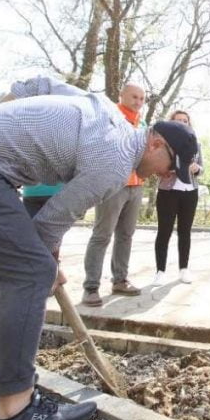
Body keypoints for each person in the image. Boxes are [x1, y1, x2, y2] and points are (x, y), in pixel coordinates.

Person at [0, 75, 197, 420]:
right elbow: (47, 227)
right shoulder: (114, 163)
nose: (167, 175)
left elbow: (34, 85)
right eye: (170, 165)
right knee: (30, 274)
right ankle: (16, 412)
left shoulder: (103, 109)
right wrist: (45, 265)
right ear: (156, 142)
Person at [81, 83, 148, 307]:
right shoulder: (110, 117)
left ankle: (120, 279)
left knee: (126, 235)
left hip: (136, 186)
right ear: (121, 95)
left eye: (142, 98)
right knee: (102, 235)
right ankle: (91, 287)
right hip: (113, 184)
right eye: (134, 97)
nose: (138, 102)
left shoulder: (143, 123)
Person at [153, 110, 203, 286]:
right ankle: (160, 271)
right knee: (164, 232)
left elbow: (202, 169)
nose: (182, 123)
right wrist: (169, 170)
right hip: (168, 191)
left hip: (190, 192)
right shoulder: (163, 145)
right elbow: (155, 167)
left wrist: (197, 169)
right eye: (178, 120)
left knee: (185, 231)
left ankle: (184, 269)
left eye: (185, 121)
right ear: (171, 123)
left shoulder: (195, 144)